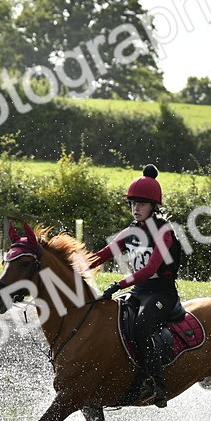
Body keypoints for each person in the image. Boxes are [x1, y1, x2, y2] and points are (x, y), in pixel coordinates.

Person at [88, 164, 183, 408]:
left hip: (162, 294)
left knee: (141, 327)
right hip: (139, 292)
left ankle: (157, 384)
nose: (135, 209)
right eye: (133, 203)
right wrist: (69, 265)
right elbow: (100, 256)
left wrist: (118, 284)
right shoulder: (131, 231)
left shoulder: (164, 232)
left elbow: (150, 270)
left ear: (153, 206)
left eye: (141, 204)